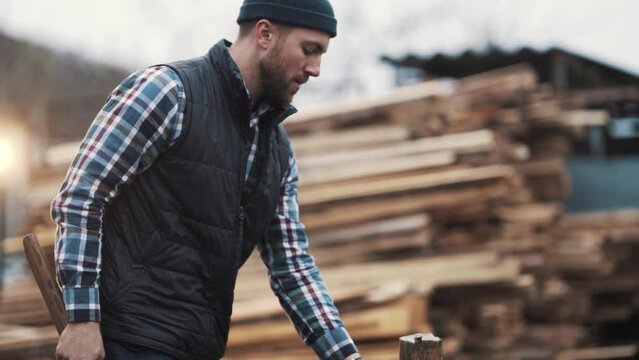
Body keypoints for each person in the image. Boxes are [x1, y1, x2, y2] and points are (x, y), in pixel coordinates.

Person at [50, 1, 362, 359]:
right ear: (264, 34)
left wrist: (346, 357)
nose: (316, 69)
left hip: (199, 348)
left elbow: (293, 267)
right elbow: (82, 196)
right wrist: (82, 320)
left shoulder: (277, 151)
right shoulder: (169, 93)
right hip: (124, 340)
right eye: (309, 50)